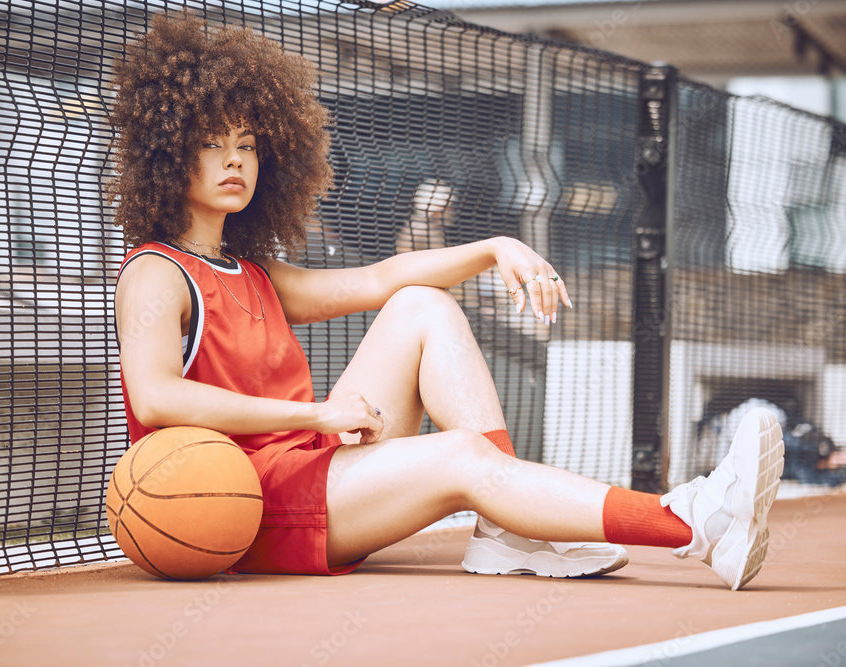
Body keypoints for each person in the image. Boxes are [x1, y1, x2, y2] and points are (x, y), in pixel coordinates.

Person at [108, 14, 784, 590]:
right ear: (168, 154)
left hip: (309, 467)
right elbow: (157, 397)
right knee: (462, 455)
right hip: (252, 505)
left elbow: (384, 277)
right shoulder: (156, 271)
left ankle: (506, 530)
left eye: (247, 145)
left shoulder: (250, 270)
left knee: (420, 304)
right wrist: (313, 411)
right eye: (212, 144)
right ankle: (691, 521)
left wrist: (494, 247)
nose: (235, 161)